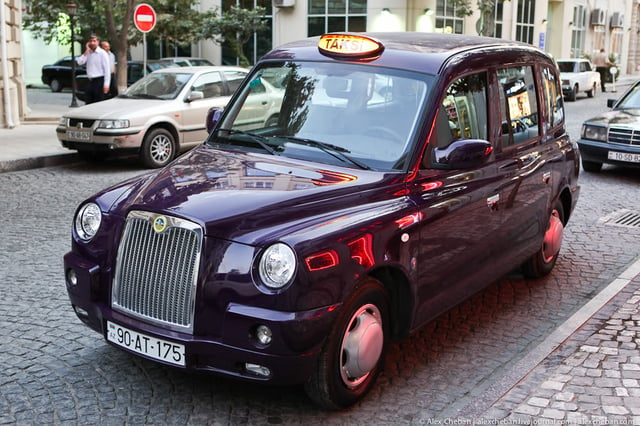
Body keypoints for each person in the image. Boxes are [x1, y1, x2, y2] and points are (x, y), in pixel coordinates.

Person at [76, 34, 111, 104]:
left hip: (99, 80)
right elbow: (79, 62)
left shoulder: (102, 53)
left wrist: (106, 84)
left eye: (94, 41)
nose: (92, 43)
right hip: (90, 80)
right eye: (91, 41)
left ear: (98, 42)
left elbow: (107, 70)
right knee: (88, 100)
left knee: (98, 102)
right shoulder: (88, 53)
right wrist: (87, 50)